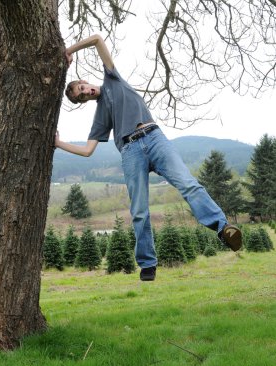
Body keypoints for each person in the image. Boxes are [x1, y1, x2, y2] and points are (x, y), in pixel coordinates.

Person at [55, 34, 242, 281]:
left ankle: (222, 228)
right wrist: (59, 143)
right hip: (131, 150)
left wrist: (67, 50)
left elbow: (98, 40)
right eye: (82, 96)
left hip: (154, 137)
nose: (86, 92)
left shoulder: (112, 78)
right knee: (139, 209)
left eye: (83, 87)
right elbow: (88, 150)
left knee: (188, 184)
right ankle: (147, 264)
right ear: (84, 101)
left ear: (85, 81)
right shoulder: (100, 115)